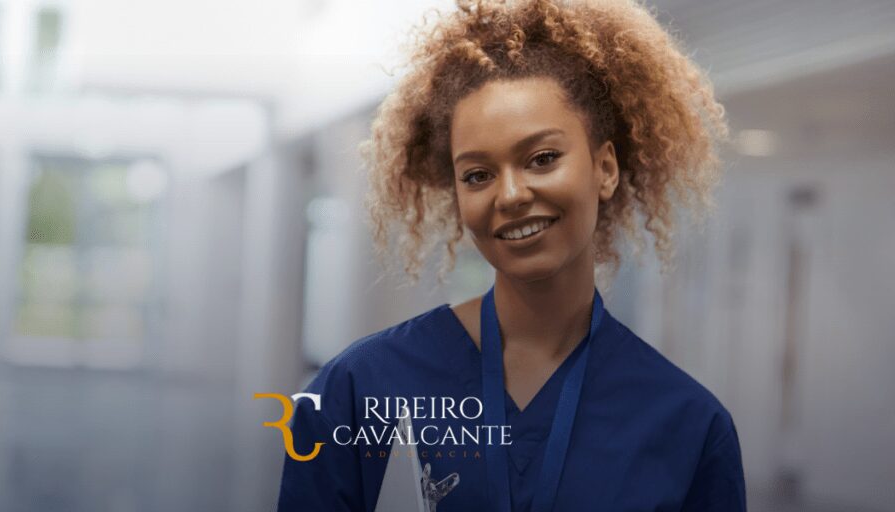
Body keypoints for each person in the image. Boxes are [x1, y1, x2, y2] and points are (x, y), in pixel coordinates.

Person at [277, 0, 745, 510]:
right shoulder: (363, 387)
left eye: (542, 159)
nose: (512, 195)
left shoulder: (687, 424)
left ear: (605, 169)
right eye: (478, 175)